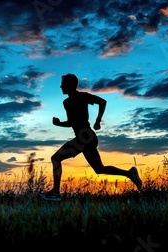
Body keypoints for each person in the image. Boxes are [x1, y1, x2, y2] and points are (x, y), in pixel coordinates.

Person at [39, 73, 142, 201]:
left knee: (56, 158)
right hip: (85, 138)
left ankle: (55, 193)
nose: (61, 86)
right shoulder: (66, 102)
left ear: (70, 85)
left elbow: (102, 102)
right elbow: (72, 122)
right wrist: (59, 123)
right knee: (99, 169)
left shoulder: (82, 96)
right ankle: (130, 173)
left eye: (63, 84)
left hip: (85, 136)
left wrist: (98, 120)